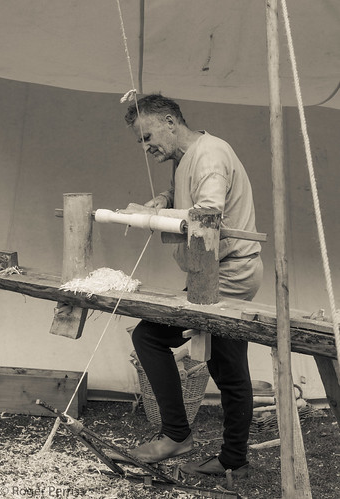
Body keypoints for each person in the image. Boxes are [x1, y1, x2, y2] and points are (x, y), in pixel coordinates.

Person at [120, 94, 263, 478]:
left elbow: (207, 214)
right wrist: (162, 199)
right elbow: (188, 195)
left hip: (230, 271)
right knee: (223, 364)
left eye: (148, 136)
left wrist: (153, 218)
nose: (147, 146)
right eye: (140, 141)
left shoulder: (210, 155)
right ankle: (230, 457)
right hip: (211, 272)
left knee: (154, 338)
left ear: (169, 121)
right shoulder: (186, 157)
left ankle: (180, 436)